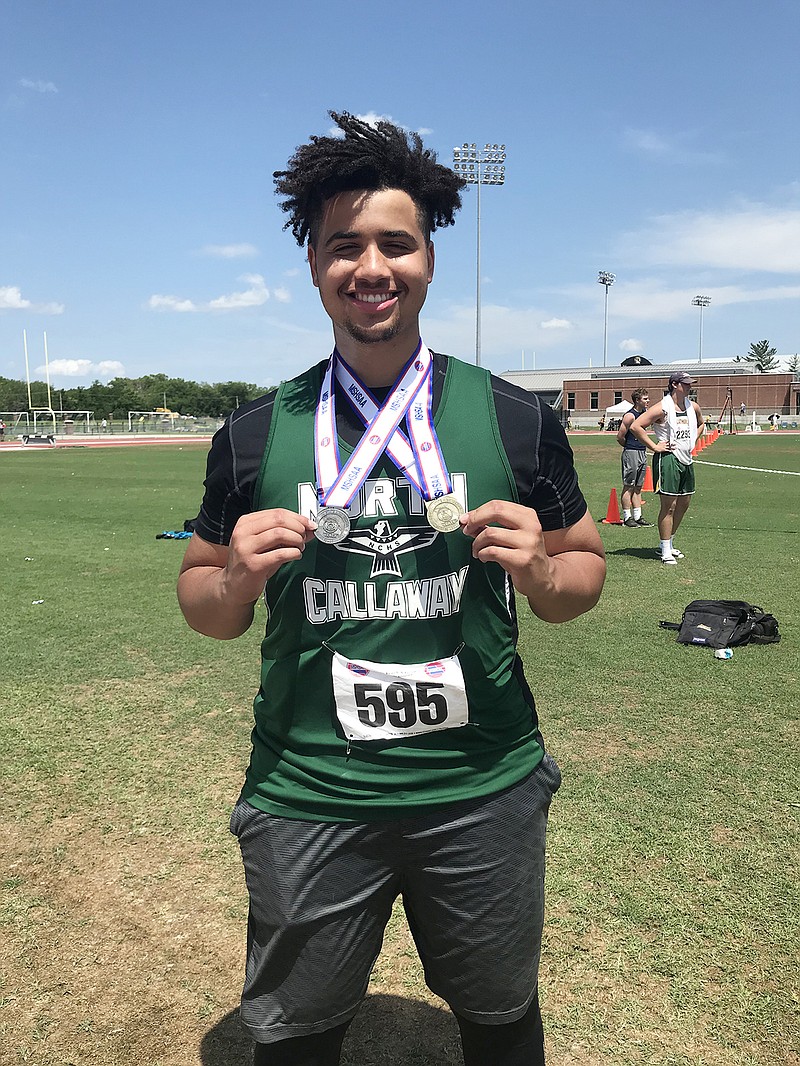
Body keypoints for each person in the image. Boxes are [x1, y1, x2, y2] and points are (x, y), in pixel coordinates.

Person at [177, 111, 606, 1066]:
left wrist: (541, 573)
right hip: (311, 787)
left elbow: (583, 573)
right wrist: (234, 581)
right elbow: (202, 602)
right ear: (315, 266)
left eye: (395, 244)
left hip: (480, 782)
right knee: (296, 1033)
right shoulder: (254, 431)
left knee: (500, 1019)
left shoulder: (510, 415)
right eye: (345, 247)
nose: (371, 267)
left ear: (428, 259)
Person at [629, 371, 705, 565]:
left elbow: (702, 424)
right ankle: (664, 550)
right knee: (668, 506)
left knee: (684, 503)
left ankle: (670, 543)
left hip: (686, 458)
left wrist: (692, 439)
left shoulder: (692, 406)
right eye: (685, 384)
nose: (689, 387)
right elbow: (636, 426)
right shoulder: (662, 408)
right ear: (674, 385)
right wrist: (655, 446)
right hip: (668, 459)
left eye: (690, 384)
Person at [615, 389, 652, 527]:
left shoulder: (645, 415)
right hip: (631, 451)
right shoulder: (630, 416)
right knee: (629, 486)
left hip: (642, 451)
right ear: (637, 400)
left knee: (638, 487)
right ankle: (627, 517)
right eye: (645, 399)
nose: (648, 401)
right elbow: (620, 437)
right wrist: (629, 447)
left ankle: (638, 516)